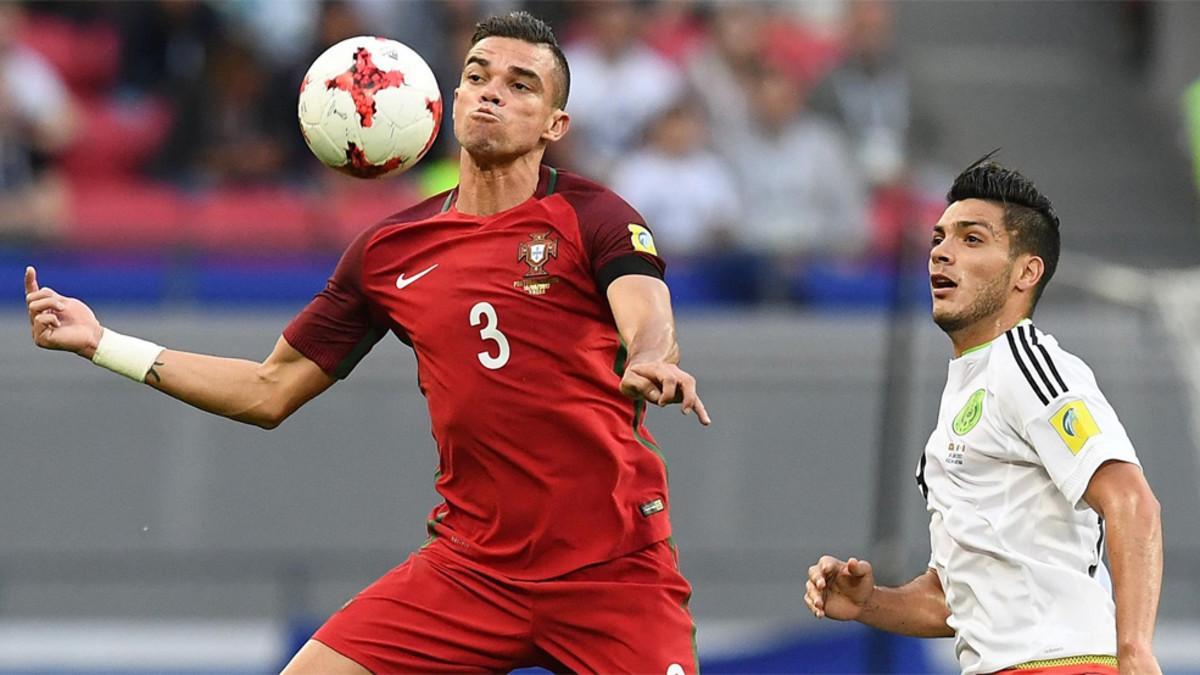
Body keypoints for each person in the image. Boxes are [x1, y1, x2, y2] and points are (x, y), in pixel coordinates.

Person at [25, 11, 708, 674]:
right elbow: (269, 390)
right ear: (453, 96)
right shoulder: (388, 251)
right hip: (472, 569)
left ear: (555, 125)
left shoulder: (593, 215)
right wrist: (102, 343)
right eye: (478, 74)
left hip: (612, 571)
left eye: (522, 83)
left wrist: (653, 356)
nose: (493, 90)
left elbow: (645, 310)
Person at [804, 157, 1163, 675]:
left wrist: (1135, 652)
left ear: (1026, 272)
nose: (942, 254)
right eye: (939, 238)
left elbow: (1132, 501)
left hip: (1061, 662)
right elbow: (952, 600)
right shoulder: (958, 405)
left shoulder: (1029, 364)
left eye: (971, 240)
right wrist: (867, 603)